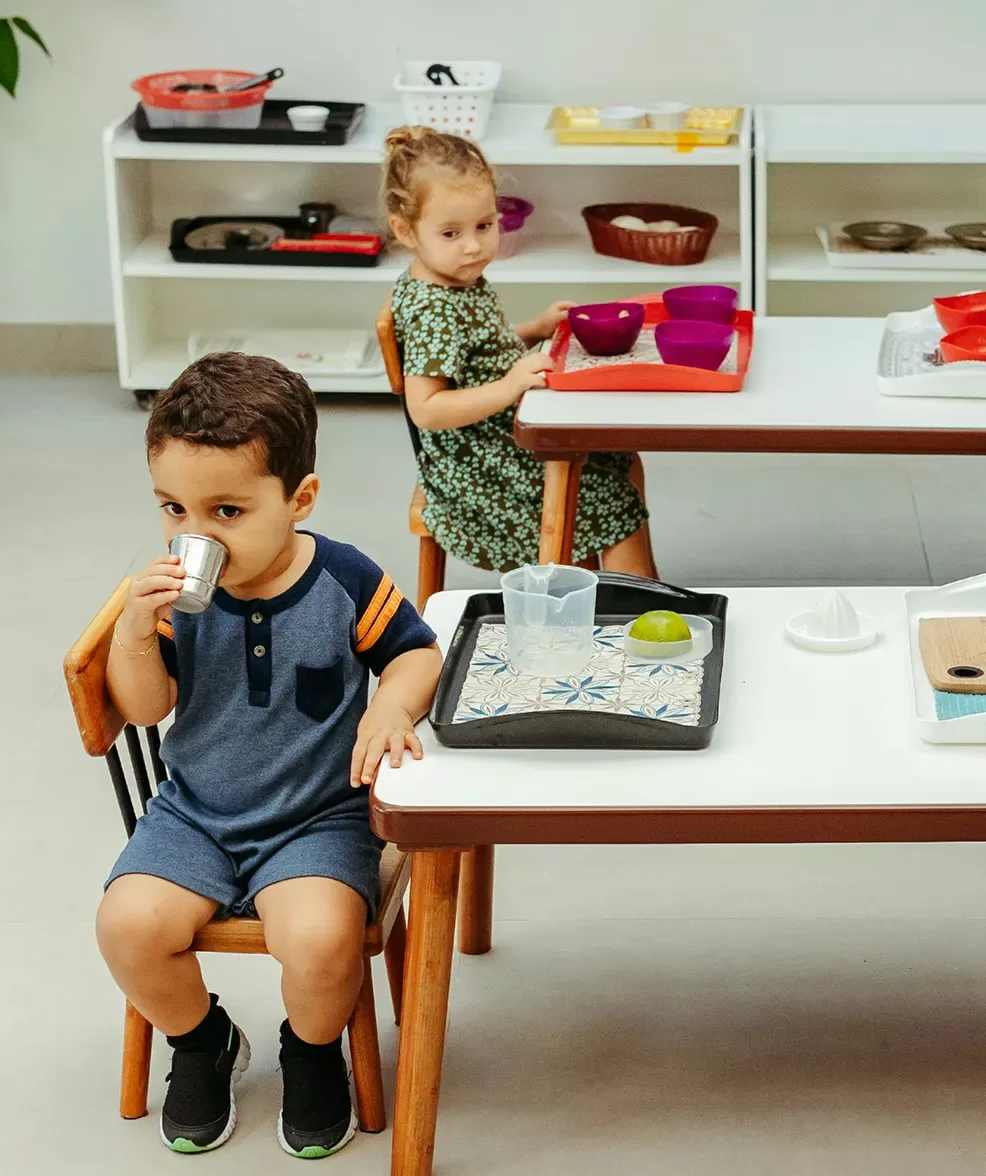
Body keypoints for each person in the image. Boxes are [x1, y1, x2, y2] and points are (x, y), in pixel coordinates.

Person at [95, 353, 443, 1158]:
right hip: (197, 812)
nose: (194, 535)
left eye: (225, 512)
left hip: (316, 818)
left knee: (321, 941)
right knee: (127, 926)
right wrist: (130, 631)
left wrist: (388, 705)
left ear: (299, 499)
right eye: (174, 509)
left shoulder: (342, 579)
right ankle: (201, 1039)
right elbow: (146, 708)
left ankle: (312, 1049)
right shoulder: (180, 600)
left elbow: (416, 653)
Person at [383, 125, 656, 574]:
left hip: (498, 444)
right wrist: (510, 385)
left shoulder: (451, 280)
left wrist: (533, 328)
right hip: (480, 474)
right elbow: (428, 408)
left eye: (485, 225)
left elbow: (474, 351)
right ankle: (635, 608)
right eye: (451, 233)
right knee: (608, 495)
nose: (474, 245)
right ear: (406, 231)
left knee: (619, 459)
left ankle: (590, 585)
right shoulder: (434, 308)